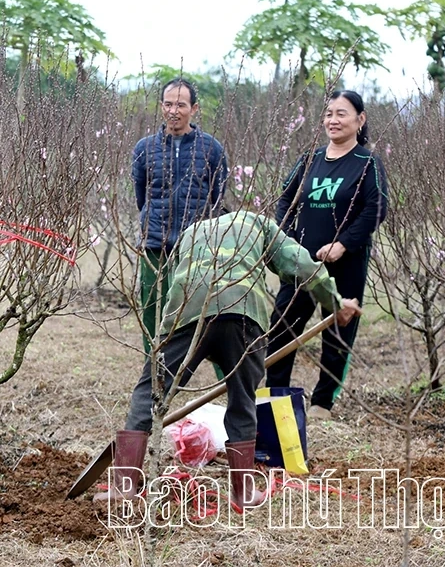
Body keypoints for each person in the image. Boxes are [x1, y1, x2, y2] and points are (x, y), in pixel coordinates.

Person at [96, 210, 362, 510]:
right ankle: (243, 493)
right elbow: (301, 264)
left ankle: (124, 486)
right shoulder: (256, 222)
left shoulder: (191, 231)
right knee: (242, 400)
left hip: (186, 311)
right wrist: (335, 302)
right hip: (243, 312)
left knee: (150, 392)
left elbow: (171, 285)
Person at [265, 90, 388, 420]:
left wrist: (343, 243)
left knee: (337, 329)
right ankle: (275, 395)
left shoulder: (367, 164)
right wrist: (288, 243)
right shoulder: (310, 160)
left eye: (342, 113)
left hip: (346, 263)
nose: (333, 120)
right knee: (283, 325)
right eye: (329, 113)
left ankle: (322, 403)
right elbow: (285, 202)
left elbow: (376, 209)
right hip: (301, 264)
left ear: (360, 120)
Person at [132, 78, 228, 356]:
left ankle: (197, 364)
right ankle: (153, 368)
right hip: (155, 245)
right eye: (168, 104)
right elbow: (142, 196)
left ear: (194, 108)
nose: (174, 110)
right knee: (152, 312)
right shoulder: (144, 149)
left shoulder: (212, 149)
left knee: (202, 312)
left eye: (181, 105)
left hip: (196, 248)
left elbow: (217, 199)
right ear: (161, 106)